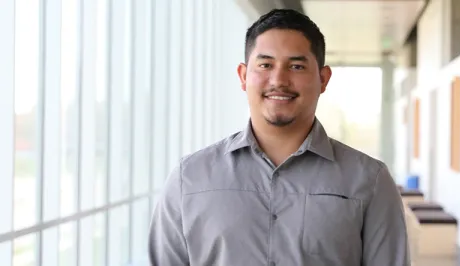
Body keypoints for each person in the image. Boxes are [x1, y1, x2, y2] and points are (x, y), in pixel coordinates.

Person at [148, 8, 411, 266]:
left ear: (323, 79)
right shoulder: (190, 177)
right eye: (265, 64)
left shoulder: (369, 181)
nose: (279, 79)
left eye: (296, 66)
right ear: (243, 76)